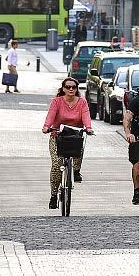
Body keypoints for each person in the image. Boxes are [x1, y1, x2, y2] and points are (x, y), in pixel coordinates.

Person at [42, 77, 92, 209]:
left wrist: (88, 127)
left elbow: (86, 116)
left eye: (73, 87)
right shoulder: (57, 102)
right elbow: (51, 115)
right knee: (57, 165)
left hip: (74, 136)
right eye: (68, 87)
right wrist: (46, 127)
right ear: (63, 88)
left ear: (77, 89)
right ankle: (53, 195)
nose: (71, 89)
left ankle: (75, 171)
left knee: (78, 151)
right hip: (57, 136)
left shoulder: (82, 102)